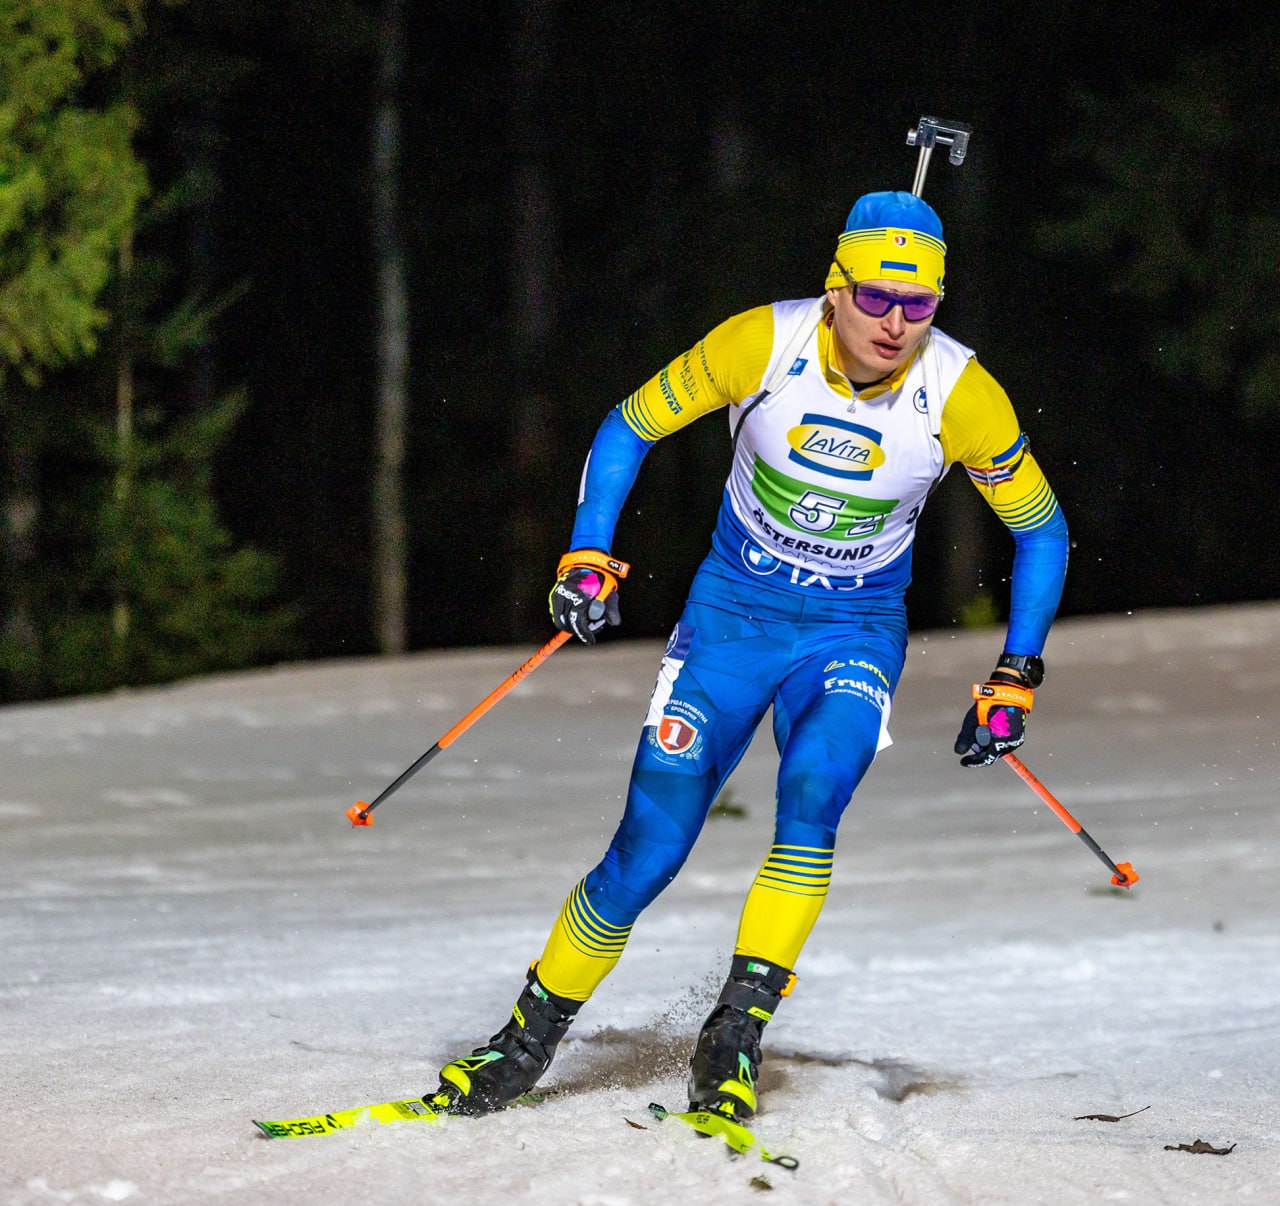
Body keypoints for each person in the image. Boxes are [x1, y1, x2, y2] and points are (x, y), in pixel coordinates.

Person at [427, 190, 1069, 1122]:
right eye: (878, 298)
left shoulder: (962, 393)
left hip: (853, 629)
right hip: (732, 617)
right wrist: (587, 552)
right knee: (647, 847)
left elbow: (1042, 533)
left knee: (815, 788)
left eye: (919, 304)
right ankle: (522, 1045)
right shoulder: (760, 344)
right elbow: (627, 425)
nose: (896, 323)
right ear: (836, 286)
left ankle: (732, 1040)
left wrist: (1017, 671)